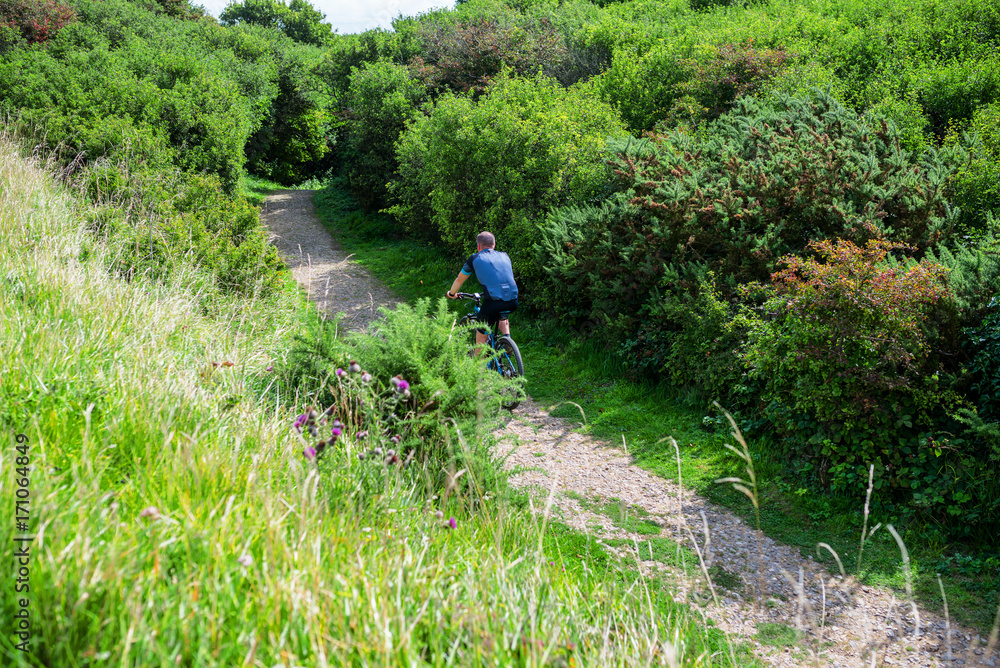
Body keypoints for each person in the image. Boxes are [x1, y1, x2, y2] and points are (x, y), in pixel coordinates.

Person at [446, 231, 518, 348]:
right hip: (513, 300)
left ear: (478, 246)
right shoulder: (505, 255)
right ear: (494, 245)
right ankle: (507, 339)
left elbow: (460, 279)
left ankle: (479, 365)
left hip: (493, 302)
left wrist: (451, 293)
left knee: (481, 335)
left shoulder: (475, 258)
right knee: (500, 313)